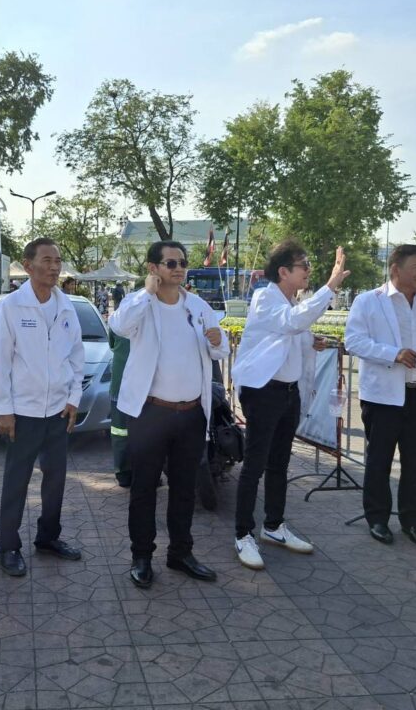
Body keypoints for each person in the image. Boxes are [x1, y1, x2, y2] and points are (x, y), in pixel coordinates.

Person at [109, 240, 229, 589]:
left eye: (182, 263)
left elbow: (219, 351)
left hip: (191, 414)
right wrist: (146, 293)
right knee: (144, 488)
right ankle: (142, 557)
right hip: (150, 413)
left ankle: (180, 553)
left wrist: (218, 339)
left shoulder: (198, 306)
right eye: (171, 263)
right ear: (153, 268)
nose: (179, 269)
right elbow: (119, 326)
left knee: (184, 488)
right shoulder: (141, 305)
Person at [231, 242, 350, 570]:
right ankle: (243, 534)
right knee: (255, 464)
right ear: (283, 271)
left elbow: (291, 333)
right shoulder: (265, 297)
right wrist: (330, 286)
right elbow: (290, 323)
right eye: (303, 265)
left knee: (279, 463)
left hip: (287, 393)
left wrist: (311, 342)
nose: (308, 271)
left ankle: (273, 526)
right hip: (263, 392)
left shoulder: (290, 302)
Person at [345, 244, 416, 547]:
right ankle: (377, 519)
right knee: (379, 461)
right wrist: (393, 354)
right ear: (396, 269)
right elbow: (353, 341)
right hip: (383, 398)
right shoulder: (369, 302)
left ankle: (413, 520)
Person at [0, 238, 86, 576]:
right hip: (23, 413)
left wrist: (74, 398)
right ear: (28, 265)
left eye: (58, 260)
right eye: (47, 260)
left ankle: (48, 538)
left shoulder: (67, 306)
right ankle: (8, 545)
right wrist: (4, 409)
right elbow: (0, 361)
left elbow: (76, 357)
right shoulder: (12, 306)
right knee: (16, 482)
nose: (54, 267)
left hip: (58, 412)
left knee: (55, 480)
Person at [108, 330, 132, 488]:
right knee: (145, 435)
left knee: (120, 432)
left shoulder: (117, 321)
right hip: (143, 390)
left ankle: (123, 473)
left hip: (120, 386)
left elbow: (111, 344)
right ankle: (145, 474)